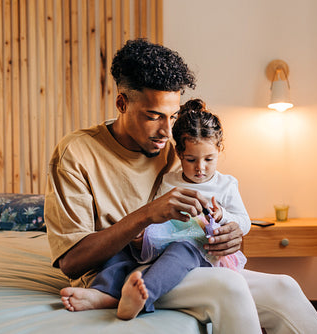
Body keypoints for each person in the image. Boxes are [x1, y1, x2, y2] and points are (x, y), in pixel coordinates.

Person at [45, 38, 317, 334]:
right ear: (122, 103)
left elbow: (214, 206)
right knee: (229, 287)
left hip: (183, 264)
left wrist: (230, 233)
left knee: (285, 286)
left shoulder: (178, 150)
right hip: (121, 274)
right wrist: (146, 214)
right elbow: (72, 262)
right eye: (154, 116)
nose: (167, 132)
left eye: (172, 116)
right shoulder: (76, 153)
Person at [62, 98, 248, 320]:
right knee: (121, 243)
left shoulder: (225, 184)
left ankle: (143, 297)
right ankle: (103, 291)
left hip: (198, 247)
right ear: (179, 153)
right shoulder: (169, 178)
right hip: (164, 240)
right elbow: (157, 213)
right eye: (191, 159)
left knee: (180, 252)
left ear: (219, 150)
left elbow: (244, 221)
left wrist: (224, 216)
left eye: (209, 159)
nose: (200, 167)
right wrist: (141, 235)